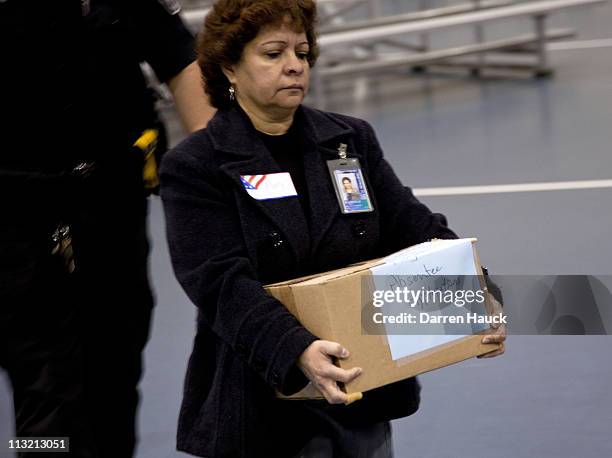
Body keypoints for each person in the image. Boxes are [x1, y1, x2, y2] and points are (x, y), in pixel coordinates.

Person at [160, 1, 506, 457]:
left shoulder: (348, 140)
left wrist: (475, 296)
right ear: (229, 66)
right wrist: (297, 349)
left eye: (302, 53)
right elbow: (220, 283)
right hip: (264, 398)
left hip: (364, 389)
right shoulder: (196, 165)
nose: (293, 67)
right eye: (273, 54)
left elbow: (416, 228)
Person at [0, 1, 214, 457]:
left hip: (113, 207)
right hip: (15, 218)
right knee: (44, 390)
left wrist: (218, 168)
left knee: (116, 371)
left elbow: (182, 61)